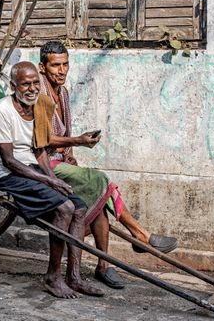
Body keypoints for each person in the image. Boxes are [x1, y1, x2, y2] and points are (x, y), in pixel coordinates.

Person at [34, 40, 177, 290]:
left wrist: (70, 152)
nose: (62, 70)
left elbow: (62, 136)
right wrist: (77, 141)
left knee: (100, 203)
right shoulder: (39, 96)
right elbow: (43, 139)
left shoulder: (63, 93)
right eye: (56, 65)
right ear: (42, 67)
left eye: (66, 64)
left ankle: (104, 265)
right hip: (42, 164)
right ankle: (140, 236)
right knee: (102, 180)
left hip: (61, 161)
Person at [0, 61, 103, 299]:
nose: (31, 88)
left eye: (35, 83)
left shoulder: (40, 105)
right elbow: (9, 160)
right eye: (25, 84)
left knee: (78, 208)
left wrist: (52, 178)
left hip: (31, 168)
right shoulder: (1, 110)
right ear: (13, 86)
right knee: (64, 208)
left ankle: (74, 277)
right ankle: (52, 276)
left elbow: (40, 150)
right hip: (9, 175)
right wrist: (49, 182)